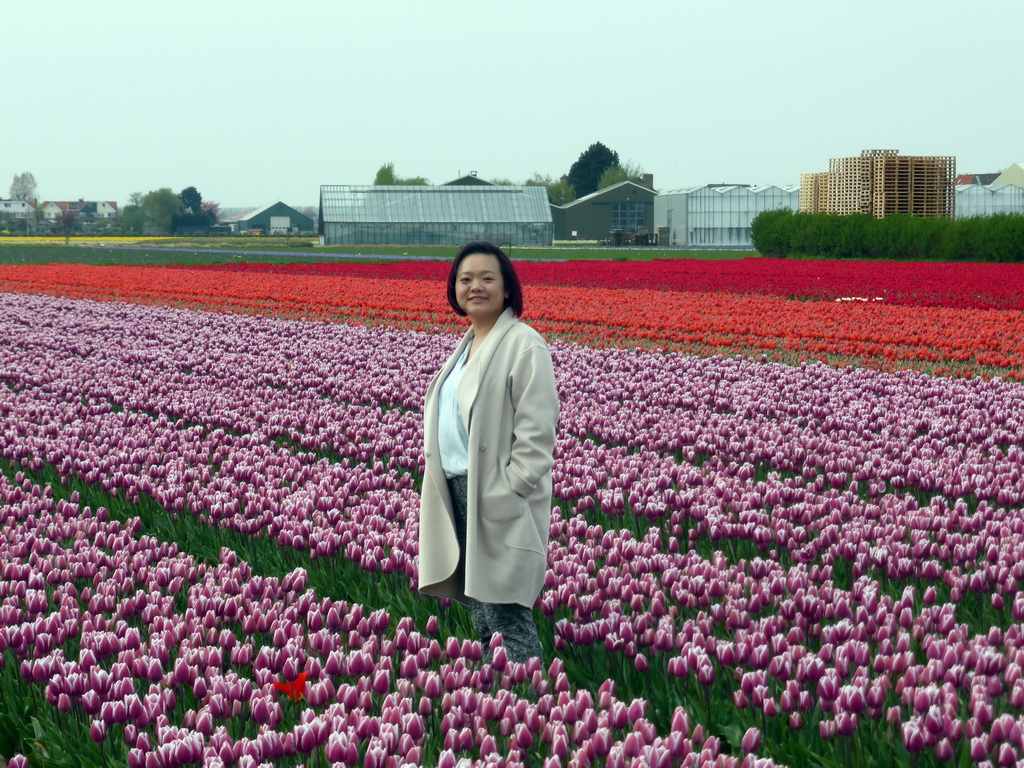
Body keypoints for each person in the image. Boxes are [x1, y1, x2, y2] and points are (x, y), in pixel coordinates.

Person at [418, 241, 559, 664]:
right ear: (453, 289)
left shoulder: (524, 344)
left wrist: (510, 487)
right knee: (482, 616)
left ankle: (527, 715)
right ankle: (501, 707)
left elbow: (537, 431)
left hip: (496, 494)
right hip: (458, 492)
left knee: (506, 615)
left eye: (486, 278)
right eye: (465, 279)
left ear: (506, 287)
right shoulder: (467, 346)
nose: (474, 286)